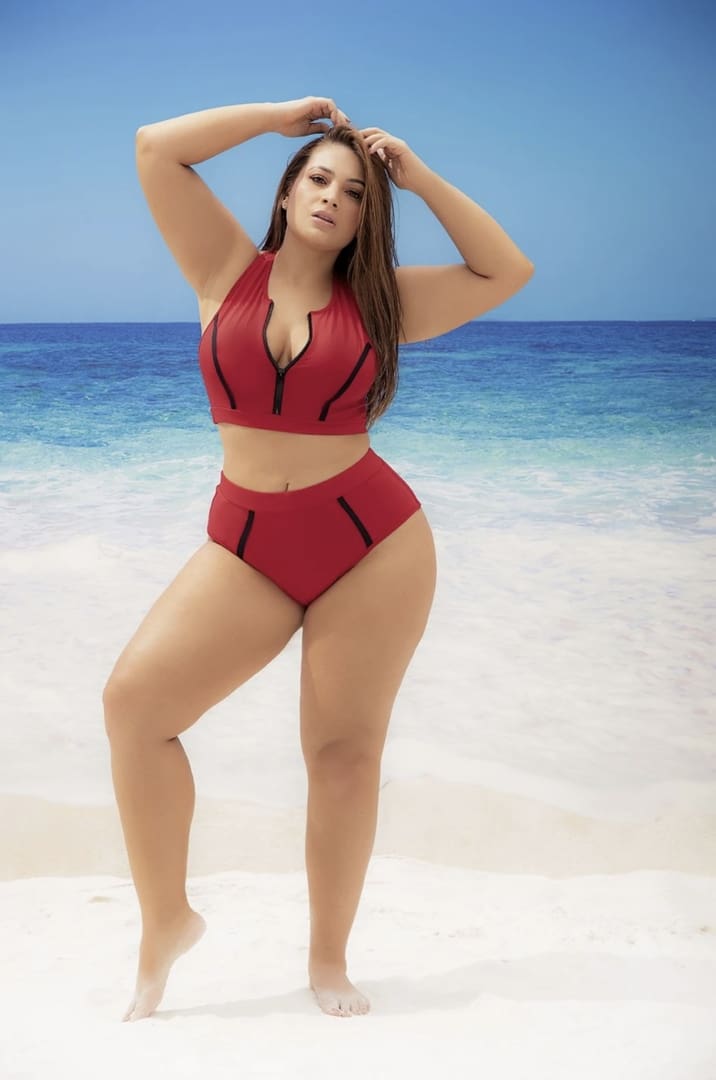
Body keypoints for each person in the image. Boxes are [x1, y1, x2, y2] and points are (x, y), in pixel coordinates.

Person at [103, 96, 533, 1022]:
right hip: (249, 542)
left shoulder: (386, 304)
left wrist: (416, 177)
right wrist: (275, 119)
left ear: (369, 217)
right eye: (320, 180)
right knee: (135, 706)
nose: (335, 198)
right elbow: (154, 149)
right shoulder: (223, 266)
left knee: (341, 755)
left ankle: (328, 961)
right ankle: (166, 919)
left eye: (356, 193)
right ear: (291, 191)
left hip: (372, 544)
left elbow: (506, 268)